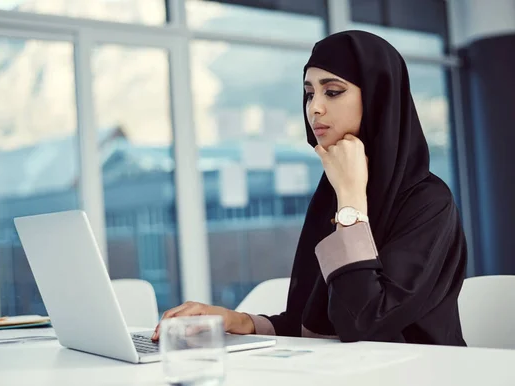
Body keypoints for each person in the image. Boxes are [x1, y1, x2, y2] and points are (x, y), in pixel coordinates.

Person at [152, 30, 468, 346]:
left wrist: (351, 203)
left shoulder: (429, 202)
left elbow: (365, 324)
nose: (314, 107)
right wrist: (236, 319)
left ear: (377, 96)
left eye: (332, 91)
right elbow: (313, 324)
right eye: (308, 94)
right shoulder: (331, 194)